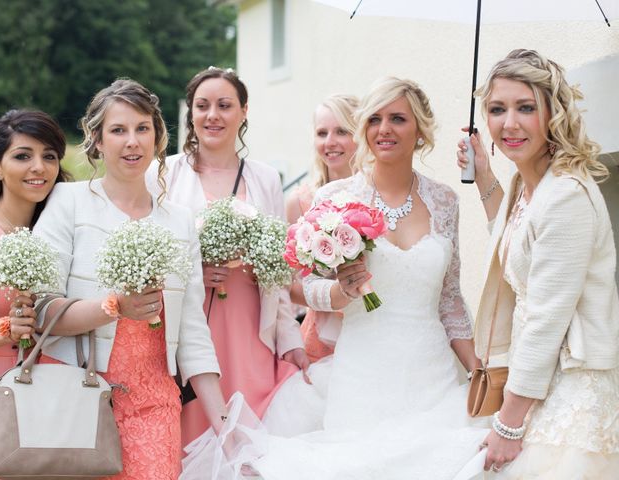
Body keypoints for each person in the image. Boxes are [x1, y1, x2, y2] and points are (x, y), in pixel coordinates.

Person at [181, 77, 489, 480]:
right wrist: (340, 293)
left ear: (420, 131)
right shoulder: (335, 199)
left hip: (434, 374)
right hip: (362, 374)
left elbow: (450, 301)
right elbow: (302, 286)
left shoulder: (446, 200)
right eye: (375, 119)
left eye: (398, 118)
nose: (385, 129)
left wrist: (477, 371)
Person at [28, 79, 228, 480]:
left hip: (154, 402)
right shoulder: (67, 202)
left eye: (142, 128)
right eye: (118, 130)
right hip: (78, 396)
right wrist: (115, 306)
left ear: (158, 138)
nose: (132, 142)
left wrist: (226, 427)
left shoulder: (180, 221)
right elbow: (41, 310)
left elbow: (191, 329)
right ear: (97, 141)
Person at [457, 49, 619, 478]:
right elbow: (515, 247)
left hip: (571, 388)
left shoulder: (565, 194)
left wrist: (508, 423)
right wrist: (485, 177)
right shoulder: (527, 186)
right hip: (539, 385)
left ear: (553, 113)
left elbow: (548, 317)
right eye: (497, 109)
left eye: (525, 107)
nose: (509, 123)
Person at [145, 67, 308, 446]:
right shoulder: (162, 173)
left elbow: (278, 271)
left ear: (243, 112)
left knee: (251, 435)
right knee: (193, 431)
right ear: (191, 113)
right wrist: (195, 270)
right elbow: (150, 250)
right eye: (202, 106)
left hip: (251, 325)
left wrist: (290, 339)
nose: (212, 115)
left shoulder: (265, 178)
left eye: (224, 105)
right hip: (190, 323)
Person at [0, 110, 70, 479]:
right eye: (23, 155)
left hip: (49, 400)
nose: (39, 167)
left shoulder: (58, 234)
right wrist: (5, 330)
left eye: (49, 156)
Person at [285, 94, 358, 363]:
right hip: (320, 341)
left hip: (372, 333)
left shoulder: (377, 197)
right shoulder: (300, 202)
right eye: (321, 133)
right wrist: (333, 296)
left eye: (342, 131)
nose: (330, 142)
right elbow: (286, 284)